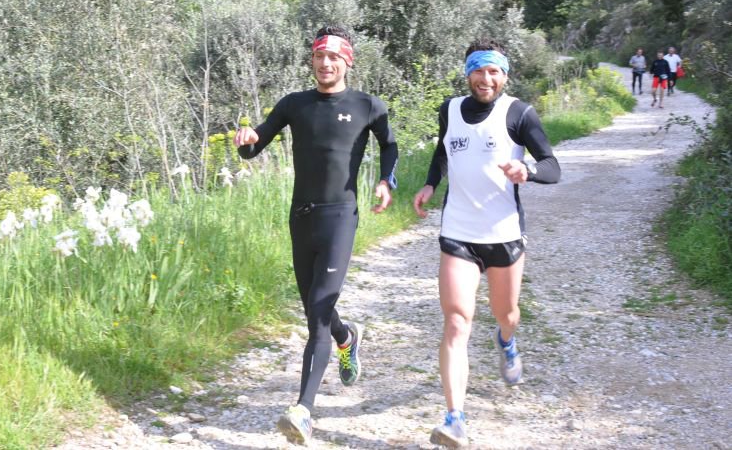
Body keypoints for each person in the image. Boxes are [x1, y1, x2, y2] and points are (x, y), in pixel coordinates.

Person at [234, 25, 398, 445]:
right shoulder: (295, 104)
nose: (326, 64)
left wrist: (387, 181)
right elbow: (254, 147)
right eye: (319, 57)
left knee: (319, 312)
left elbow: (389, 145)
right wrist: (245, 141)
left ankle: (303, 409)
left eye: (334, 58)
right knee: (313, 307)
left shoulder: (367, 105)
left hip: (340, 217)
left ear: (347, 62)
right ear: (312, 60)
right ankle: (347, 337)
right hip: (301, 217)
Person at [412, 39, 560, 448]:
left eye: (493, 71)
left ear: (504, 75)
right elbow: (443, 150)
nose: (485, 78)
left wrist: (527, 170)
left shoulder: (519, 113)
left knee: (506, 314)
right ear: (467, 73)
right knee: (457, 321)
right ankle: (454, 419)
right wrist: (430, 184)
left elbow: (552, 166)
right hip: (458, 232)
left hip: (504, 234)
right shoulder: (450, 109)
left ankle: (506, 340)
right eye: (478, 70)